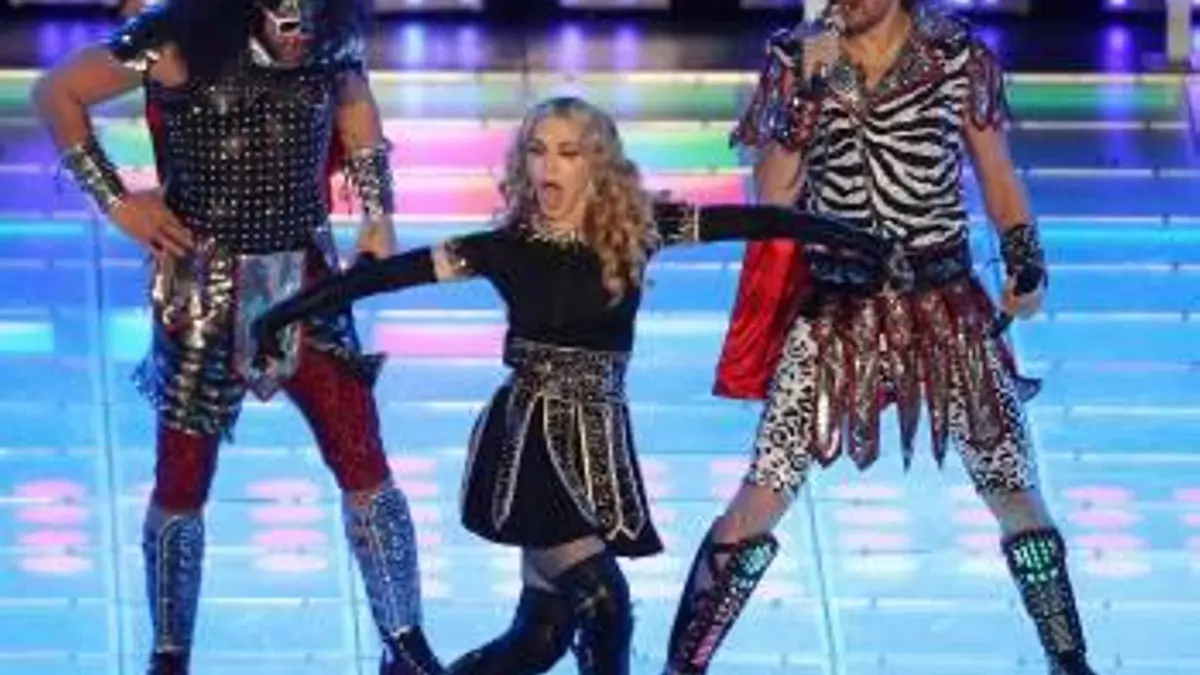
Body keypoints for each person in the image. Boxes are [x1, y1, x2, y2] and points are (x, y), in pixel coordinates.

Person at [250, 96, 895, 675]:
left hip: (597, 445)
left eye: (567, 152)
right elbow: (384, 277)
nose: (548, 167)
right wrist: (282, 314)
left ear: (597, 164)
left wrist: (855, 239)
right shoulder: (503, 248)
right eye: (537, 151)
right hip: (529, 443)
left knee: (541, 636)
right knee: (605, 604)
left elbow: (758, 223)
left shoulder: (639, 231)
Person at [661, 2, 1100, 675]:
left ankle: (1070, 662)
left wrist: (1024, 260)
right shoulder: (796, 57)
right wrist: (808, 93)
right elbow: (771, 195)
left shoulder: (954, 54)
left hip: (945, 309)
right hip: (835, 310)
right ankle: (682, 666)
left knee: (1013, 487)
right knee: (763, 491)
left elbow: (997, 174)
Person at [32, 1, 441, 673]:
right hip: (203, 289)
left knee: (363, 457)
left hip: (306, 282)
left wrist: (379, 214)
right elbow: (57, 91)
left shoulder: (332, 29)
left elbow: (355, 105)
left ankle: (405, 643)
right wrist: (117, 201)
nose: (296, 25)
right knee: (182, 477)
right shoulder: (172, 33)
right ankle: (169, 656)